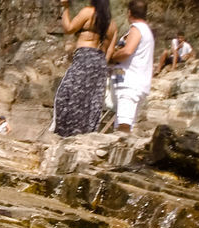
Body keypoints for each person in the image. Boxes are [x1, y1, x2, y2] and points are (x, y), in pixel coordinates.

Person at [53, 0, 115, 136]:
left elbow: (69, 28)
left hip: (85, 57)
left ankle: (66, 133)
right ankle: (83, 134)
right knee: (90, 101)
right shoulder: (112, 24)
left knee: (66, 95)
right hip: (100, 62)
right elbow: (109, 50)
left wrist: (65, 8)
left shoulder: (88, 12)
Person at [108, 0, 153, 134]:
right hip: (137, 83)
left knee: (124, 125)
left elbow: (127, 51)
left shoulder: (136, 28)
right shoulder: (146, 31)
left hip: (129, 84)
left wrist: (112, 56)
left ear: (129, 13)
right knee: (126, 123)